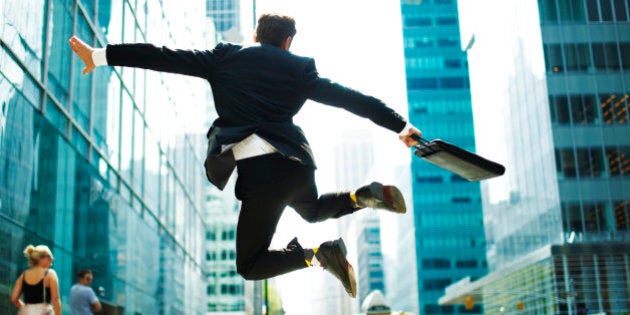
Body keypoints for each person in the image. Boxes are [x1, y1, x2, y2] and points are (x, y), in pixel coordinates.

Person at [69, 13, 421, 298]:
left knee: (250, 265)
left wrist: (101, 55)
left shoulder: (225, 59)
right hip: (298, 165)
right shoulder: (299, 69)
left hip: (262, 173)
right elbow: (353, 100)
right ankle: (363, 197)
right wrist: (401, 127)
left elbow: (163, 56)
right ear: (287, 42)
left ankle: (319, 255)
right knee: (312, 211)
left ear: (256, 36)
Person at [11, 245, 62, 314]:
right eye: (49, 256)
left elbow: (14, 299)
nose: (52, 259)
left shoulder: (23, 275)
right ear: (39, 258)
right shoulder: (50, 274)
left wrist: (28, 309)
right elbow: (55, 299)